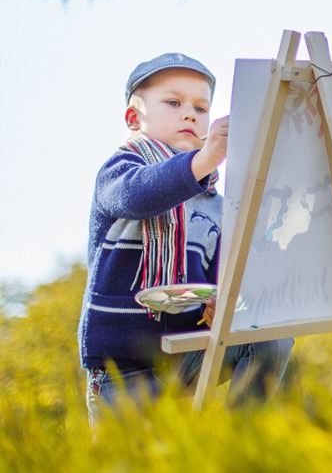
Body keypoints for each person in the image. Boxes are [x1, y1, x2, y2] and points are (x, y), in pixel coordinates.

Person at [78, 53, 293, 424]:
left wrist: (224, 304)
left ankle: (244, 440)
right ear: (134, 118)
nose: (190, 114)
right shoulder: (119, 171)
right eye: (173, 103)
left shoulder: (216, 204)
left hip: (185, 354)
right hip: (121, 372)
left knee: (269, 336)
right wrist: (204, 160)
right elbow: (138, 197)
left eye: (201, 107)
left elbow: (222, 276)